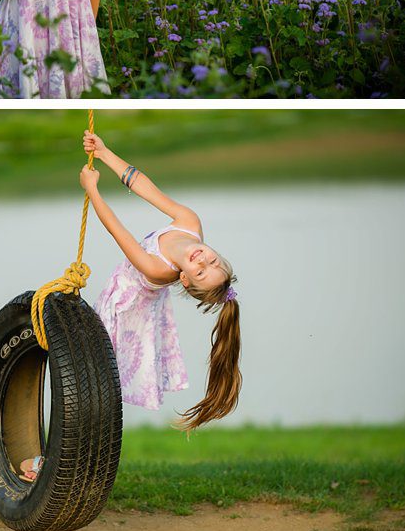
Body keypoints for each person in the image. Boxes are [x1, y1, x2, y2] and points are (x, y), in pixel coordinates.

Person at [17, 130, 241, 481]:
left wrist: (93, 190)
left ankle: (53, 464)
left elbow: (117, 231)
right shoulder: (191, 224)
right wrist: (105, 153)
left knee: (83, 387)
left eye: (200, 271)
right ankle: (67, 462)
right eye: (212, 261)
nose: (203, 260)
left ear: (185, 280)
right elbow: (143, 187)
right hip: (119, 304)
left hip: (125, 319)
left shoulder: (159, 268)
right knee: (87, 386)